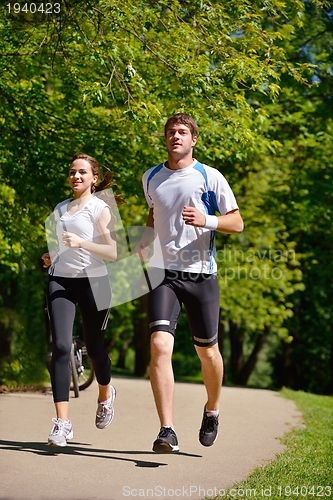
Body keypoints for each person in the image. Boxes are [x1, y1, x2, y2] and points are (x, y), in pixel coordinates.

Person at [135, 113, 244, 453]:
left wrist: (207, 220)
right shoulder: (150, 177)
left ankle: (212, 409)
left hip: (201, 275)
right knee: (159, 346)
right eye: (170, 132)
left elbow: (237, 223)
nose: (175, 137)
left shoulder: (209, 177)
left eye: (182, 132)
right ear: (165, 138)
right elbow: (154, 214)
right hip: (162, 274)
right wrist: (145, 241)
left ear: (193, 139)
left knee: (207, 352)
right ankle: (166, 430)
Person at [42, 152, 122, 447]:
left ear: (94, 178)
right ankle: (63, 423)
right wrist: (52, 256)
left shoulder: (101, 208)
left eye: (82, 173)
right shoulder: (61, 208)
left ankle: (105, 394)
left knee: (96, 348)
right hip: (60, 280)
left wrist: (83, 243)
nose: (76, 176)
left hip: (95, 283)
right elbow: (61, 246)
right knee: (60, 347)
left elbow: (113, 253)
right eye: (72, 172)